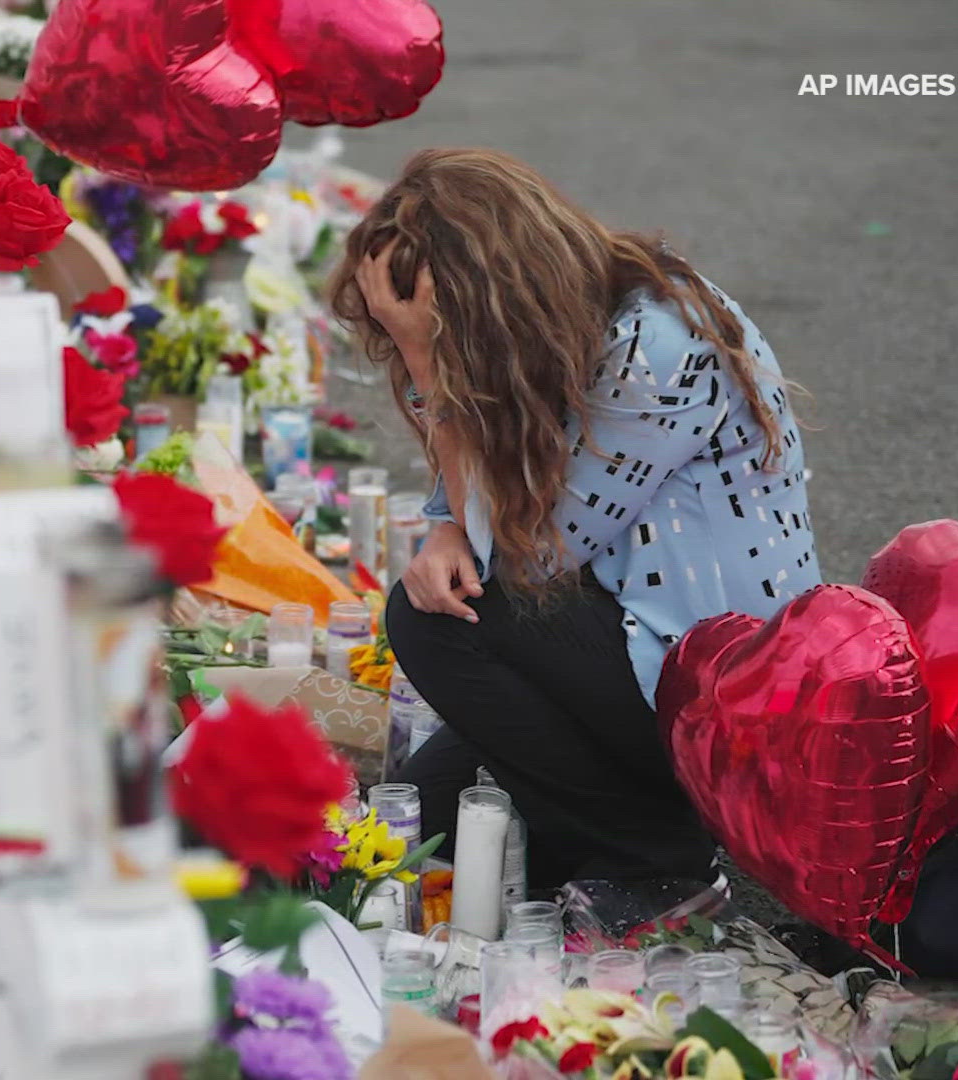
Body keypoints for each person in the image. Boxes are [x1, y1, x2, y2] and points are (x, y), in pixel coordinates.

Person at [328, 147, 818, 890]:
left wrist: (429, 363)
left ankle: (659, 861)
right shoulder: (577, 313)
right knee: (408, 827)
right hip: (631, 639)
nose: (418, 344)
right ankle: (607, 829)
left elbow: (531, 557)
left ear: (492, 292)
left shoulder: (656, 345)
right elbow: (500, 497)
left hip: (717, 699)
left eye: (431, 322)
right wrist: (448, 527)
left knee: (435, 621)